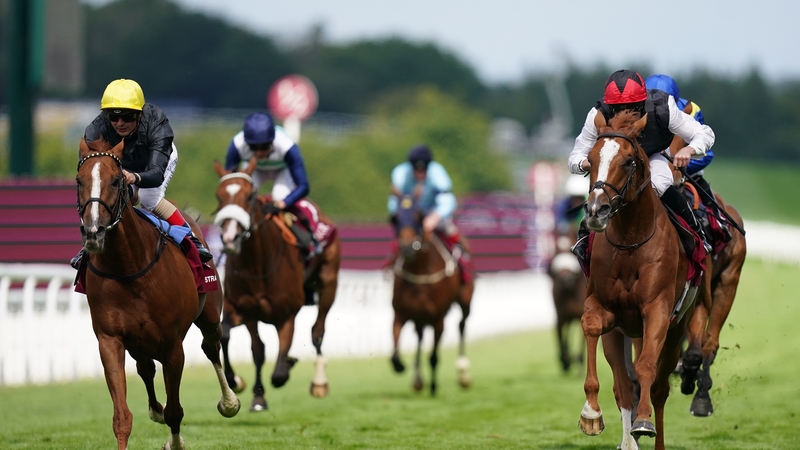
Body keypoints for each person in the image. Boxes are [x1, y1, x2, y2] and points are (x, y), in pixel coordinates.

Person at [568, 69, 715, 266]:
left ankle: (696, 233)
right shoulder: (597, 114)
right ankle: (584, 237)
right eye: (617, 109)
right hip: (615, 160)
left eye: (630, 108)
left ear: (642, 103)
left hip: (651, 155)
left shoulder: (663, 108)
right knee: (601, 186)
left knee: (660, 184)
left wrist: (689, 150)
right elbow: (575, 156)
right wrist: (585, 163)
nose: (624, 115)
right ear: (608, 105)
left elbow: (705, 134)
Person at [71, 79, 212, 269]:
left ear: (139, 114)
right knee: (110, 196)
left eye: (128, 117)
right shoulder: (95, 129)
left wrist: (135, 177)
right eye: (114, 116)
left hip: (155, 161)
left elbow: (155, 174)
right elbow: (90, 170)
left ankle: (189, 238)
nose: (120, 123)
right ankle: (92, 237)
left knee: (148, 197)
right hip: (121, 162)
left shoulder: (157, 123)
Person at [224, 112, 321, 259]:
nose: (258, 152)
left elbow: (303, 186)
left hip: (282, 169)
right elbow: (230, 182)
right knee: (241, 196)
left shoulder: (287, 146)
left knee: (278, 194)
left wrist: (282, 204)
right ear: (246, 142)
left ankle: (306, 239)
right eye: (253, 147)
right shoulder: (237, 145)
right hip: (254, 168)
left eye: (263, 146)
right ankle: (233, 235)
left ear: (272, 141)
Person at [386, 145, 473, 281]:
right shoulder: (400, 174)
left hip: (434, 214)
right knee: (403, 238)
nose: (420, 173)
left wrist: (434, 218)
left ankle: (464, 268)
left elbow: (448, 200)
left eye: (423, 169)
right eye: (416, 169)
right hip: (411, 217)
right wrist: (401, 217)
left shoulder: (437, 173)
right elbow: (394, 201)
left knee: (451, 234)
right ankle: (392, 266)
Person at [645, 74, 719, 204]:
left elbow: (706, 154)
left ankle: (719, 221)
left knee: (706, 195)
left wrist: (680, 166)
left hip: (686, 166)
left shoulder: (691, 112)